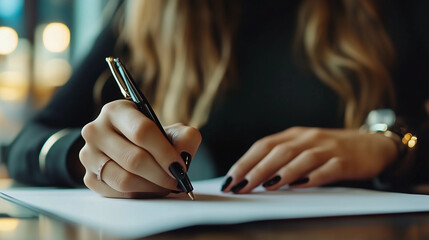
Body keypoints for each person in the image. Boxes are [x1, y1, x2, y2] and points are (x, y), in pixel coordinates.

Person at [6, 0, 429, 198]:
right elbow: (25, 145)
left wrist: (392, 146)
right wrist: (100, 157)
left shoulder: (387, 12)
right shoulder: (147, 13)